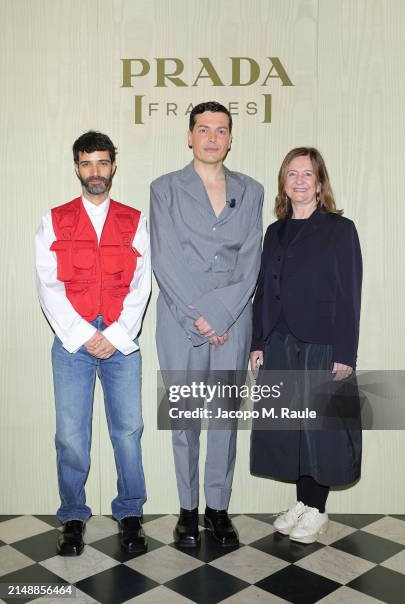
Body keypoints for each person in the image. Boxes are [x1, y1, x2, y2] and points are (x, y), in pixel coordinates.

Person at [150, 101, 263, 547]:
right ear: (190, 136)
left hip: (233, 322)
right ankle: (187, 511)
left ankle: (217, 511)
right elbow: (165, 258)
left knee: (224, 419)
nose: (212, 137)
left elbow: (251, 260)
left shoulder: (251, 190)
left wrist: (220, 315)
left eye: (221, 130)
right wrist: (198, 314)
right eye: (203, 129)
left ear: (230, 139)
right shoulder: (164, 189)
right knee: (185, 419)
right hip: (180, 321)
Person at [35, 131, 151, 556]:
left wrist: (116, 336)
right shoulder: (54, 219)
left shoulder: (135, 219)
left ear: (113, 166)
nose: (95, 172)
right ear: (76, 168)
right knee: (70, 435)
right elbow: (48, 285)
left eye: (102, 163)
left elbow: (142, 284)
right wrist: (85, 335)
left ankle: (130, 513)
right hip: (72, 343)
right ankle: (71, 516)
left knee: (128, 431)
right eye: (87, 164)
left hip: (121, 341)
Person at [250, 147, 362, 544]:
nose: (299, 180)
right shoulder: (275, 231)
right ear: (284, 182)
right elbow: (264, 290)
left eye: (308, 174)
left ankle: (317, 509)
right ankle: (301, 502)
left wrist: (345, 353)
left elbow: (349, 293)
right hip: (280, 343)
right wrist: (257, 342)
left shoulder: (339, 229)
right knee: (291, 428)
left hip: (320, 344)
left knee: (320, 429)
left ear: (319, 183)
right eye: (292, 174)